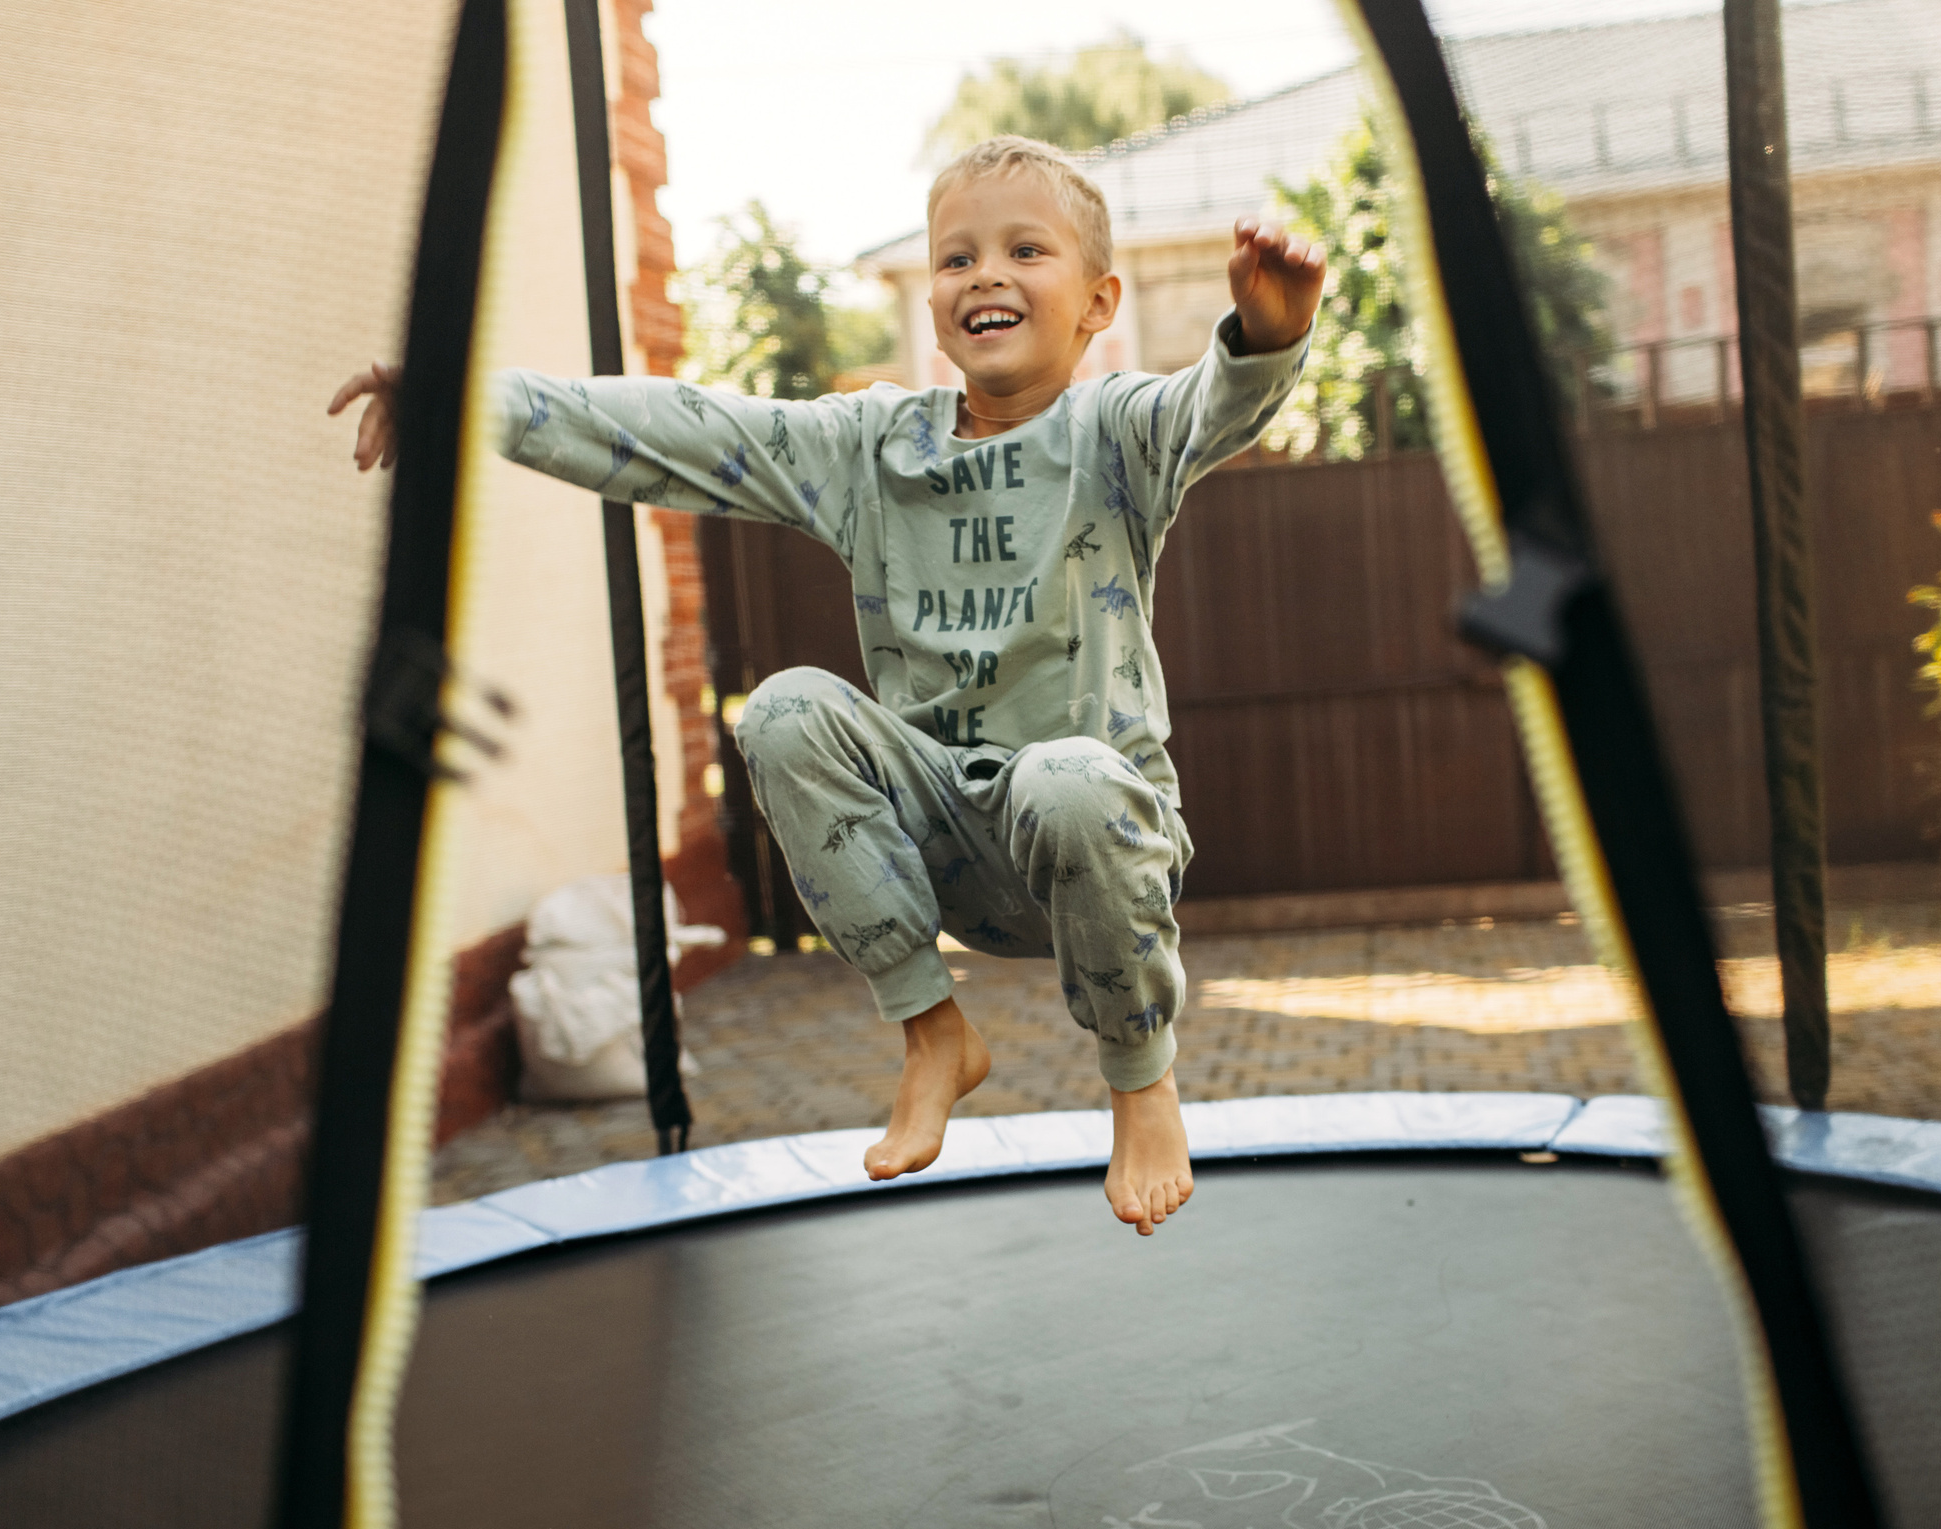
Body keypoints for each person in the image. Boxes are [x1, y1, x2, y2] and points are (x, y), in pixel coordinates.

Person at [332, 136, 1324, 1235]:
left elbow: (1210, 409)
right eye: (955, 259)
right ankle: (931, 1030)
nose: (983, 274)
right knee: (789, 707)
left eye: (1023, 250)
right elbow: (690, 432)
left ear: (1097, 305)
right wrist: (475, 401)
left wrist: (1267, 333)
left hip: (1092, 838)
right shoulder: (870, 448)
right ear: (936, 300)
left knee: (1069, 781)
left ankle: (1140, 1080)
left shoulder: (1116, 433)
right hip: (936, 844)